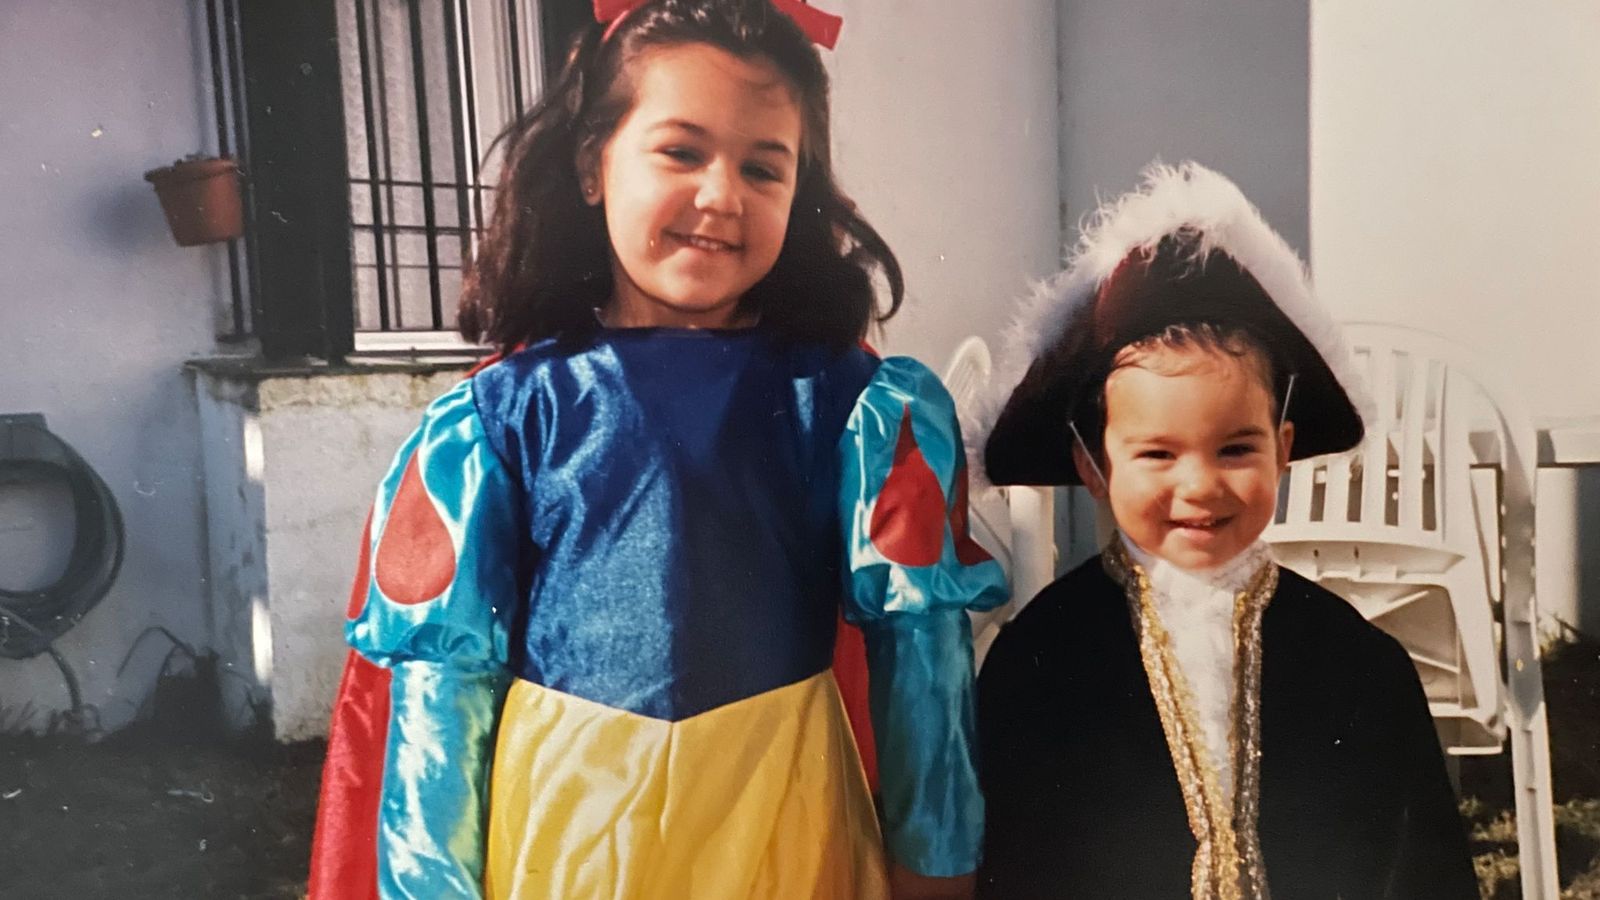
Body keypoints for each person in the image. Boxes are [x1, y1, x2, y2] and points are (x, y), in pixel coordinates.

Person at [305, 1, 1008, 898]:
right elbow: (442, 697)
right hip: (566, 842)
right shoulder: (499, 421)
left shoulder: (856, 408)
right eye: (681, 151)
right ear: (592, 164)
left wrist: (935, 871)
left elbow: (924, 664)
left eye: (764, 167)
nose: (722, 196)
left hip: (782, 825)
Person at [971, 161, 1478, 899]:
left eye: (1236, 449)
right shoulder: (1043, 657)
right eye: (1158, 454)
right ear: (1094, 466)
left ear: (1283, 447)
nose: (1201, 486)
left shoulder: (1357, 663)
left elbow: (1420, 869)